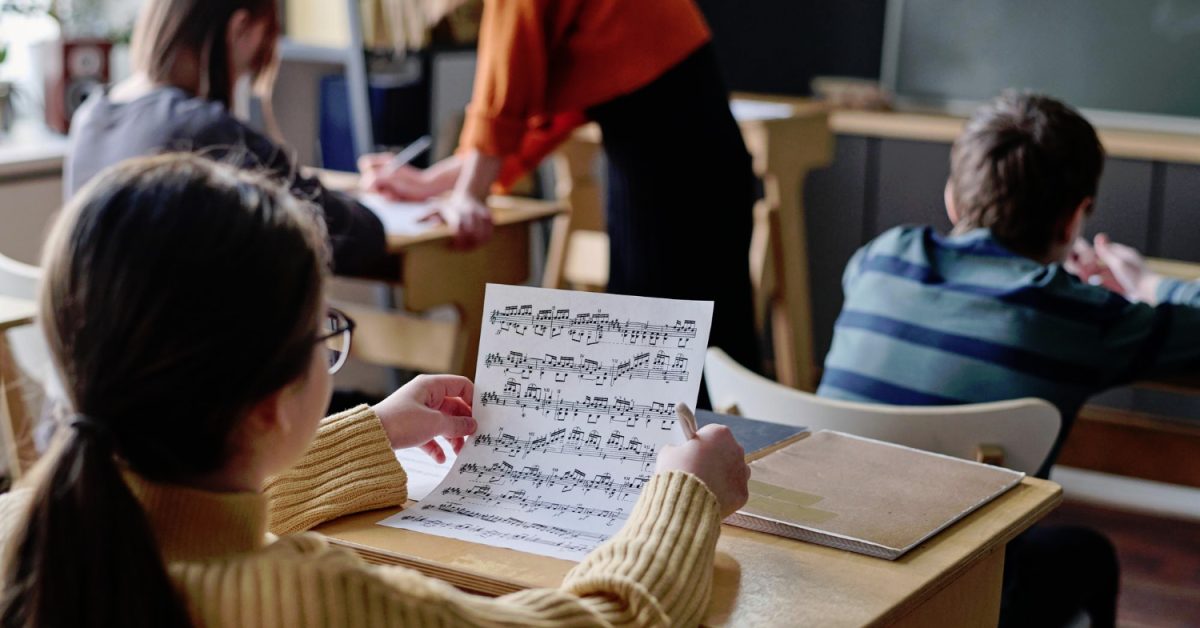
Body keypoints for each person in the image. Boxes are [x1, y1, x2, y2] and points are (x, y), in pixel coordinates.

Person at [0, 153, 750, 628]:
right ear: (270, 405)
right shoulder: (320, 601)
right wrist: (684, 495)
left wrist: (371, 432)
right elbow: (603, 622)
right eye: (322, 335)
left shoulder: (33, 532)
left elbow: (195, 519)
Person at [815, 92, 1200, 628]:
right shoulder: (1077, 317)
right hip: (969, 596)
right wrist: (1146, 283)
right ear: (1073, 221)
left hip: (823, 574)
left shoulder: (881, 259)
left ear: (954, 199)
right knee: (1087, 554)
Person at [362, 0, 762, 375]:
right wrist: (444, 181)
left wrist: (470, 192)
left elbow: (511, 60)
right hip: (677, 147)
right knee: (682, 349)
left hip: (675, 159)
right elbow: (550, 100)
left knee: (674, 353)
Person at [63, 0, 389, 277]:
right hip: (194, 347)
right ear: (241, 28)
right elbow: (354, 236)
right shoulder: (204, 130)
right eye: (254, 59)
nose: (247, 73)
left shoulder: (91, 116)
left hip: (111, 347)